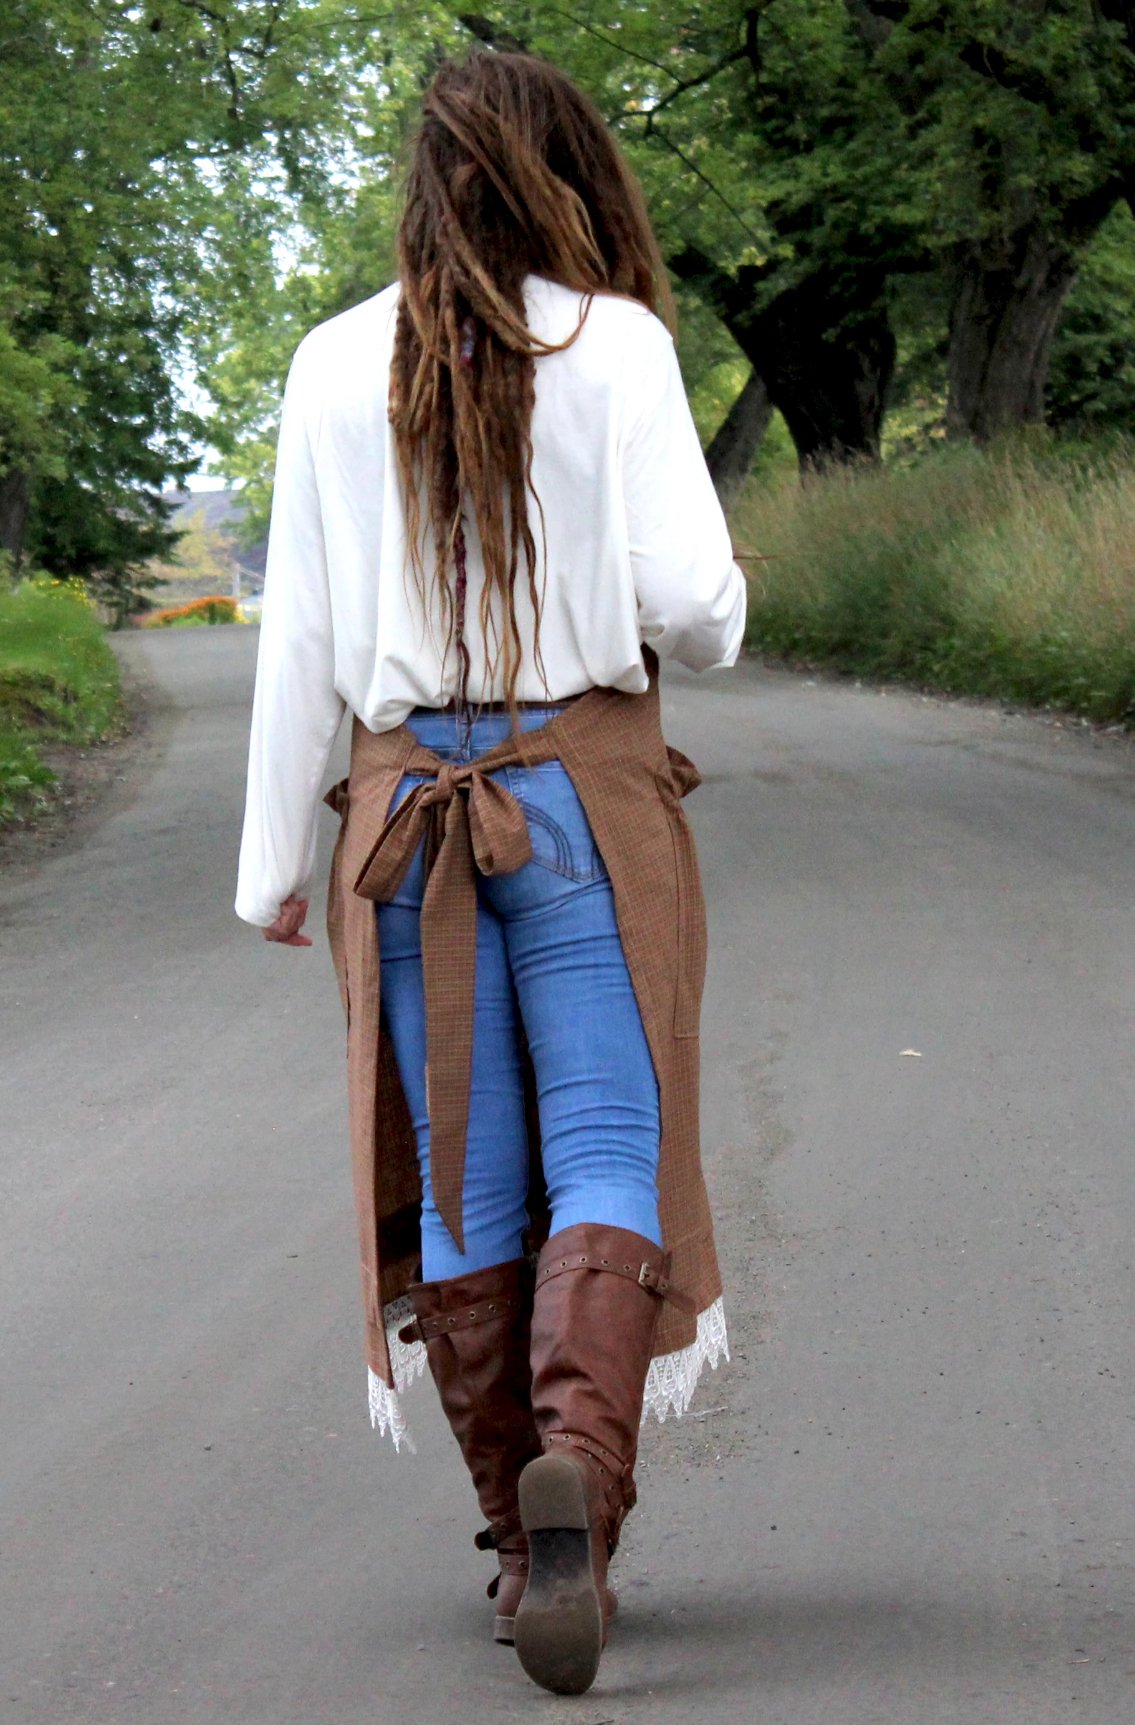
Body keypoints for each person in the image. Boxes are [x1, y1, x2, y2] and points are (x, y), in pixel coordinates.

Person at [235, 47, 746, 1697]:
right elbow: (696, 605)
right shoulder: (620, 345)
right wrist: (699, 596)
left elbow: (300, 634)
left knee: (468, 1174)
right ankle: (577, 1503)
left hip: (401, 814)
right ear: (562, 175)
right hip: (579, 794)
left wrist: (272, 864)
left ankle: (514, 1545)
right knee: (609, 1136)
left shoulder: (326, 365)